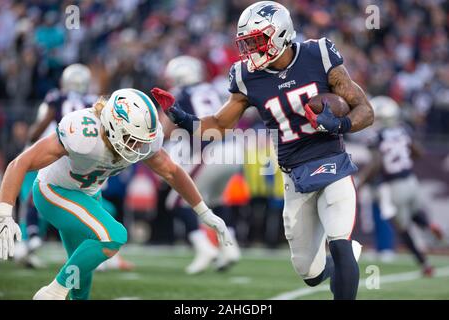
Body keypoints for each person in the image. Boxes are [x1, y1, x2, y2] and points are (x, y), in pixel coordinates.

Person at [151, 1, 373, 300]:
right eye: (247, 43)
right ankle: (341, 261)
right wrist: (182, 118)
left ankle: (345, 258)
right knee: (310, 273)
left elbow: (365, 110)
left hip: (331, 161)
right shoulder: (246, 76)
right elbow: (218, 124)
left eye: (257, 41)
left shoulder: (318, 55)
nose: (251, 50)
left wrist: (340, 124)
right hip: (295, 175)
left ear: (281, 34)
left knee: (339, 242)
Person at [0, 88, 232, 300]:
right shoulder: (83, 132)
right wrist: (4, 214)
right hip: (53, 191)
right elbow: (19, 163)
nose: (137, 147)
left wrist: (205, 212)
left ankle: (61, 292)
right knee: (114, 235)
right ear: (111, 124)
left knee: (81, 286)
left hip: (88, 196)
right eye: (132, 139)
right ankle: (51, 293)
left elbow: (172, 172)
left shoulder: (143, 141)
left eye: (141, 141)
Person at [161, 55, 241, 274]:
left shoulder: (181, 94)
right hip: (235, 148)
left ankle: (204, 248)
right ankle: (230, 248)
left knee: (177, 202)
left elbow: (165, 130)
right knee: (216, 199)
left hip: (211, 150)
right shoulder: (215, 89)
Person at [15, 63, 95, 268]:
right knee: (87, 199)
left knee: (38, 192)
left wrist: (31, 138)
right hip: (87, 158)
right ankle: (91, 244)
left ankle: (33, 234)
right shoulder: (91, 101)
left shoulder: (57, 97)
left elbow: (44, 123)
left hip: (62, 151)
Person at [358, 95, 444, 276]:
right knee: (415, 214)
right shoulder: (403, 130)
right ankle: (429, 225)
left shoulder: (377, 136)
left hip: (394, 186)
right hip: (411, 180)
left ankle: (425, 264)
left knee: (403, 229)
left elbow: (376, 163)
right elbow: (419, 152)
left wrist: (361, 181)